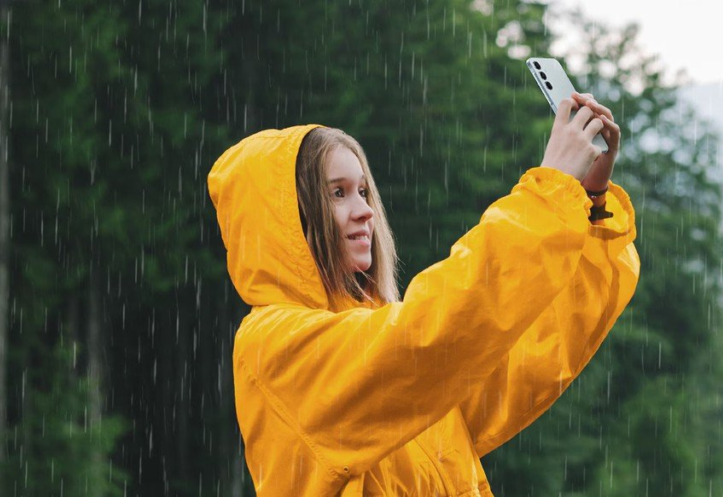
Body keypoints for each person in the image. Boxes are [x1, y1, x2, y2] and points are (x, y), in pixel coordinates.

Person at [207, 92, 640, 496]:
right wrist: (549, 192)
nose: (365, 211)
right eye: (337, 193)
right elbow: (430, 333)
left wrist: (589, 203)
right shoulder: (273, 347)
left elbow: (524, 359)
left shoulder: (395, 348)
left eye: (363, 191)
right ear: (285, 221)